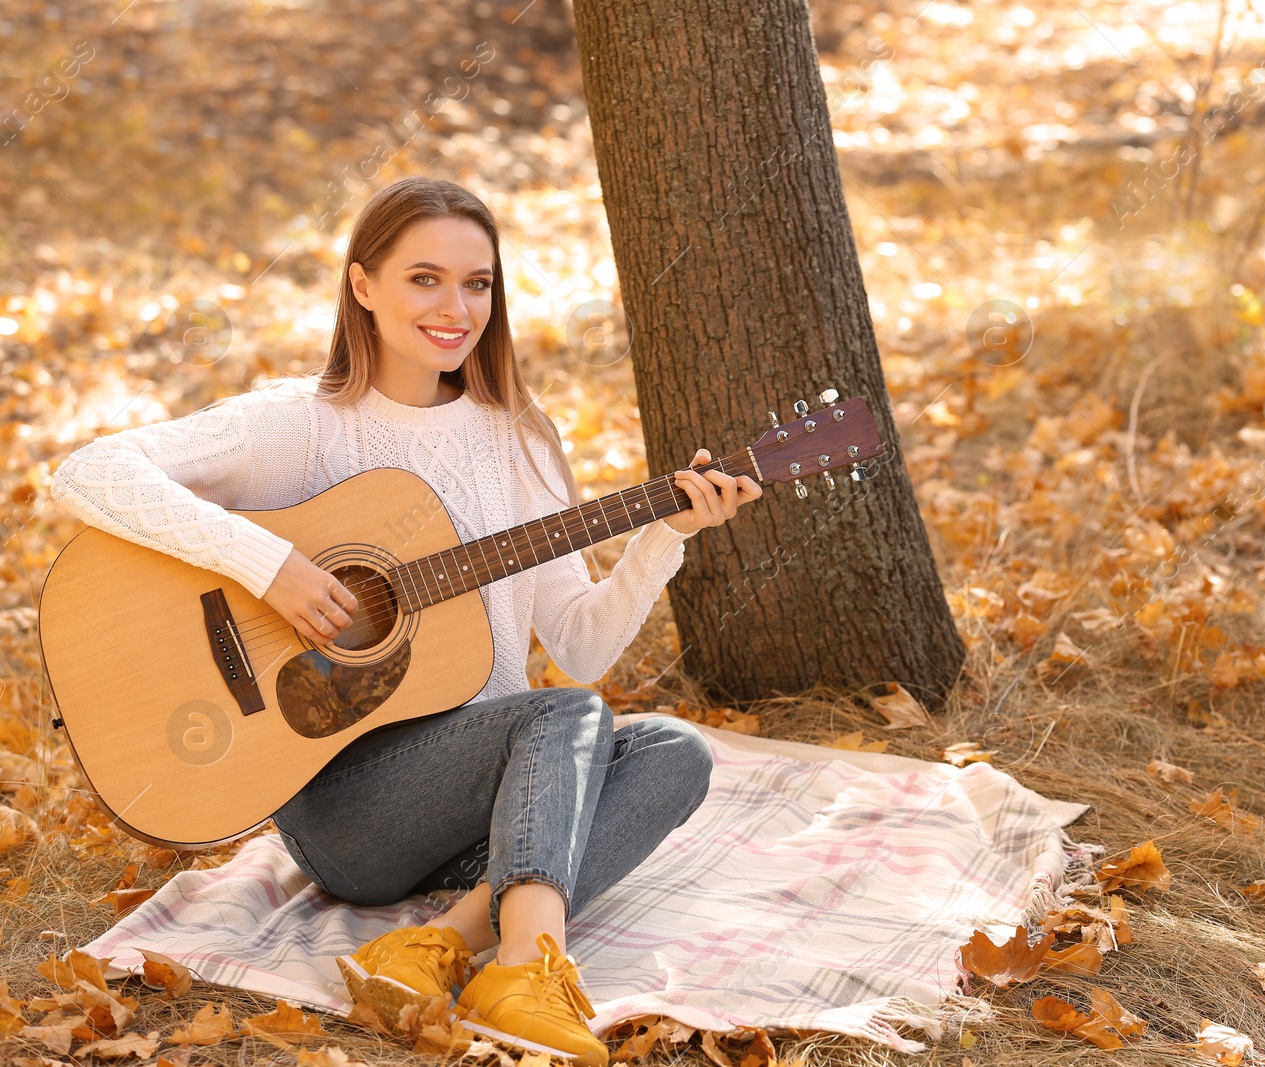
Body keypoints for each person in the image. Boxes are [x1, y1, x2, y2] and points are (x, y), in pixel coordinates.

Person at [47, 175, 763, 1066]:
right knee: (563, 716)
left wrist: (664, 533)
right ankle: (534, 964)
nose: (455, 307)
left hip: (481, 804)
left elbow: (580, 646)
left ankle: (439, 944)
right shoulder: (304, 425)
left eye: (478, 283)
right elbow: (88, 470)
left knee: (674, 752)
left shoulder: (519, 437)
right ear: (361, 285)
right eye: (424, 278)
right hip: (349, 811)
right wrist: (270, 567)